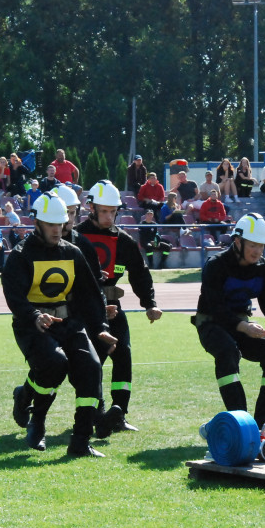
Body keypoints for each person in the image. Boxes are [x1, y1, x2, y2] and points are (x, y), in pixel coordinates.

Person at [2, 191, 117, 456]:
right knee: (54, 364)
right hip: (32, 326)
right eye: (51, 224)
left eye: (61, 224)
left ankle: (80, 442)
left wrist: (101, 328)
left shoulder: (73, 252)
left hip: (68, 323)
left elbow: (90, 295)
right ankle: (38, 422)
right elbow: (14, 297)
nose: (58, 230)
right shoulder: (21, 255)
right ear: (37, 224)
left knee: (91, 368)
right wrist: (34, 316)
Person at [77, 179, 163, 436]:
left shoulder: (124, 241)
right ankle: (96, 412)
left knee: (123, 354)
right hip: (85, 309)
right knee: (95, 361)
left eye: (112, 211)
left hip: (114, 306)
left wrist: (150, 304)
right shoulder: (77, 237)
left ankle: (119, 413)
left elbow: (140, 274)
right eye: (103, 211)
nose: (108, 216)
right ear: (91, 208)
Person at [193, 213, 265, 428]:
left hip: (242, 325)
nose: (258, 251)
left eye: (262, 246)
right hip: (211, 323)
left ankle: (258, 425)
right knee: (228, 352)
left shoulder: (264, 268)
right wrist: (244, 327)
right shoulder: (216, 265)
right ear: (237, 241)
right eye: (253, 245)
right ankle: (240, 423)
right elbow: (216, 307)